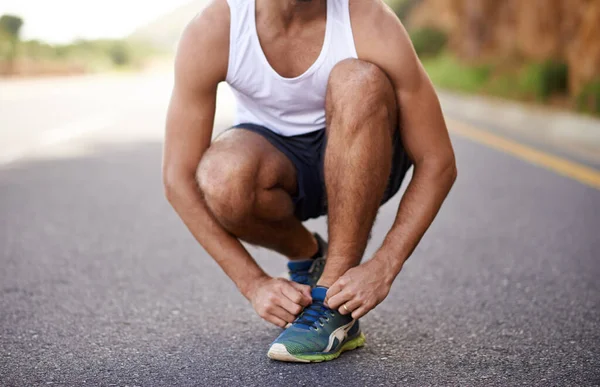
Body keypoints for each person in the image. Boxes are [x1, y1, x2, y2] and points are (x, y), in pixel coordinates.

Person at [163, 0, 457, 363]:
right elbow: (178, 178)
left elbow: (438, 161)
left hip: (368, 161)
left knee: (358, 80)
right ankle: (309, 256)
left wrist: (383, 266)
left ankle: (333, 297)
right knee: (220, 176)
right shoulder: (216, 28)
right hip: (282, 172)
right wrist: (253, 283)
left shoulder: (368, 19)